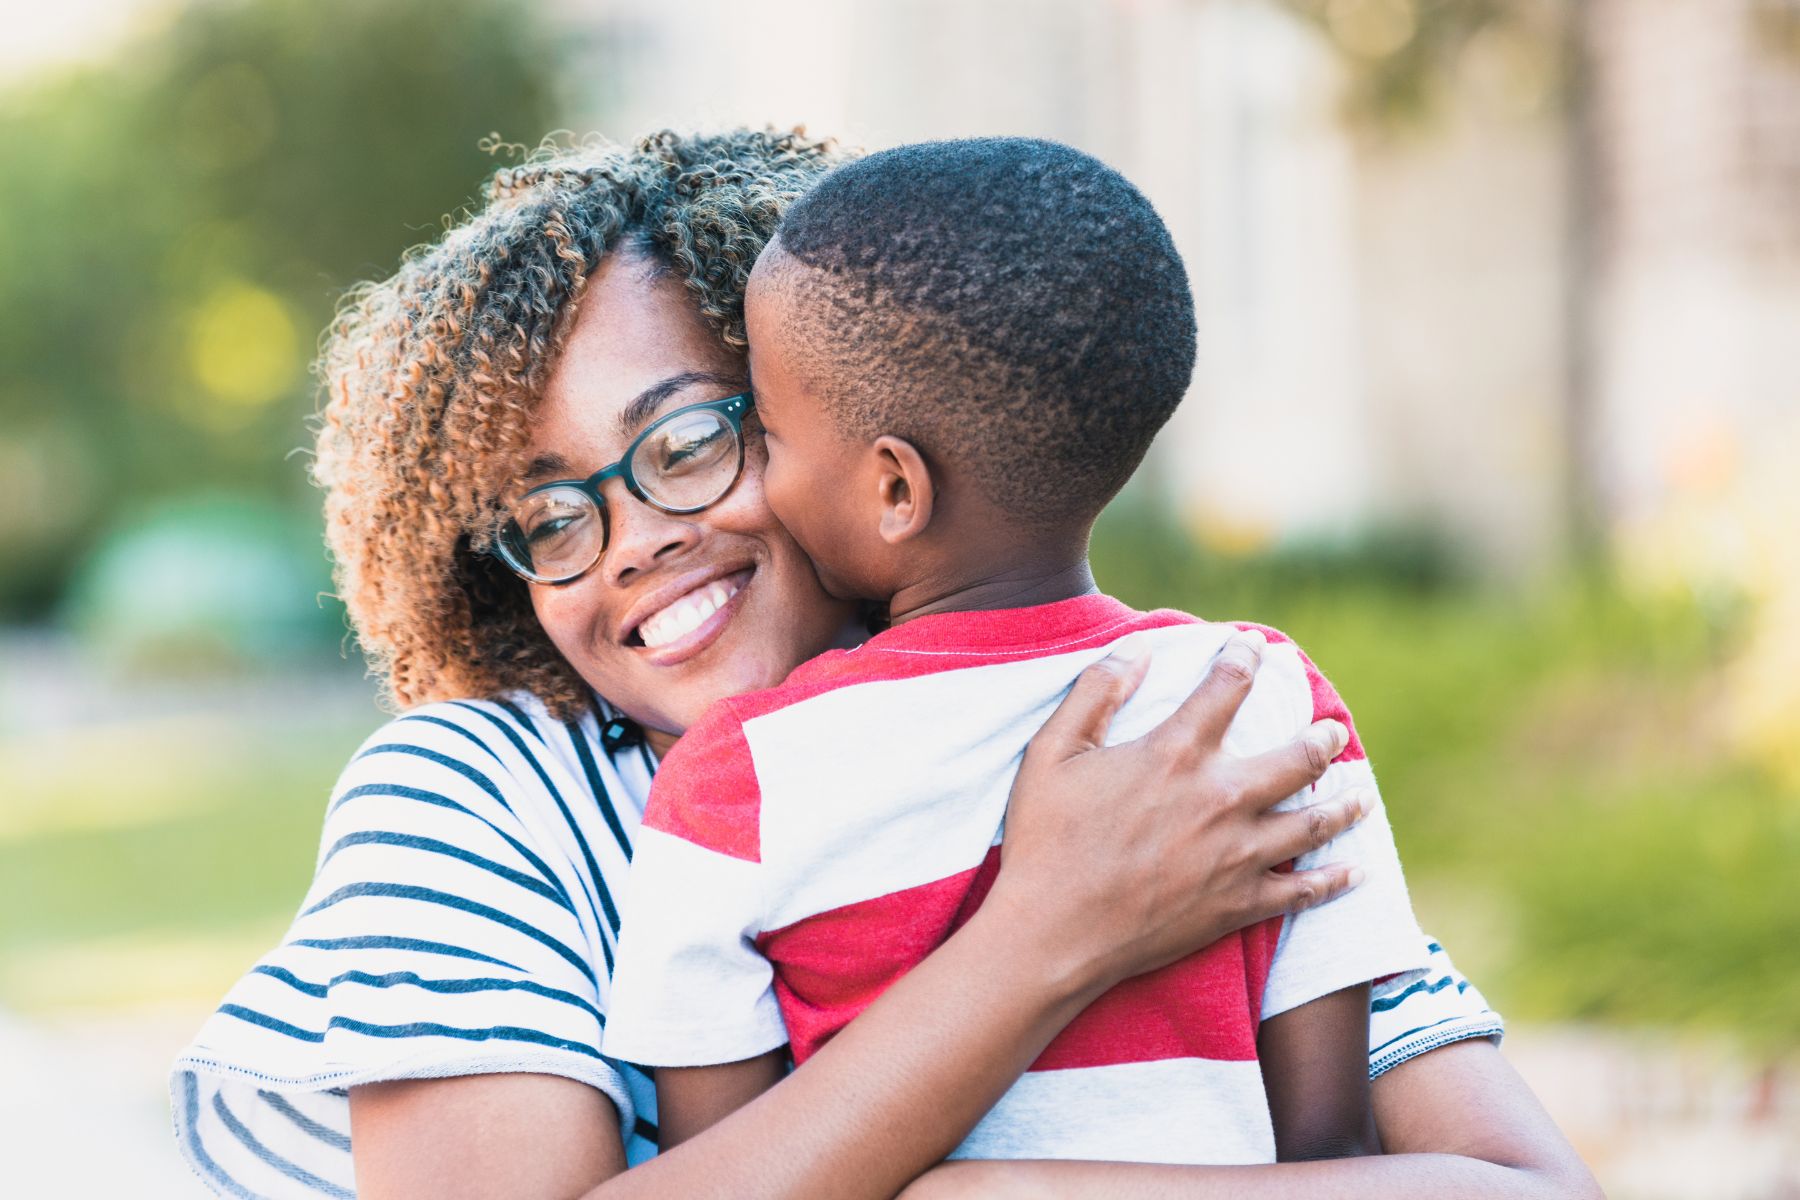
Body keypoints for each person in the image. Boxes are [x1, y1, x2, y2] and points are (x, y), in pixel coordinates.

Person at [170, 129, 1597, 1199]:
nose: (628, 543)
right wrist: (1051, 933)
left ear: (862, 438)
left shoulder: (1169, 745)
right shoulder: (485, 797)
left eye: (689, 443)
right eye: (549, 514)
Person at [602, 136, 1423, 1167]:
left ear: (896, 490)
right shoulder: (1263, 707)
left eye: (766, 430)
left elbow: (742, 1173)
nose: (757, 478)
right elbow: (1330, 1148)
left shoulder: (736, 785)